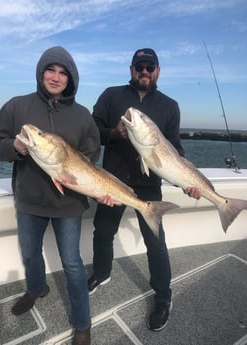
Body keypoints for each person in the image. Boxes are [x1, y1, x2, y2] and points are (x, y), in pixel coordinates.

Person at [0, 46, 107, 345]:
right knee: (30, 253)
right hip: (29, 200)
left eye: (63, 72)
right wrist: (16, 148)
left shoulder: (84, 116)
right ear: (41, 72)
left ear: (71, 79)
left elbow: (89, 160)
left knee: (72, 263)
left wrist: (100, 191)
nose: (56, 77)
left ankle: (82, 324)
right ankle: (36, 288)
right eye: (51, 69)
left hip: (69, 203)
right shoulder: (16, 106)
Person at [88, 48, 201, 332]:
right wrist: (113, 133)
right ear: (131, 69)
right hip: (112, 180)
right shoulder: (111, 95)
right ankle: (102, 273)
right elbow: (92, 130)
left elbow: (175, 149)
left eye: (150, 67)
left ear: (158, 71)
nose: (145, 71)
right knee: (103, 231)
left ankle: (163, 297)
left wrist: (187, 181)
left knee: (156, 244)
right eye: (140, 66)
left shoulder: (169, 105)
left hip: (149, 185)